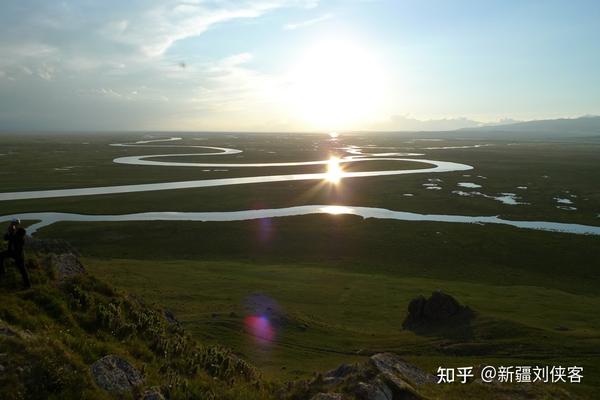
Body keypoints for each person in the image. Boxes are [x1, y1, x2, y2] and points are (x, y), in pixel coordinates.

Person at [0, 219, 31, 289]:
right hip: (13, 252)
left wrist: (10, 231)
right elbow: (6, 238)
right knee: (1, 256)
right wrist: (11, 231)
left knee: (22, 270)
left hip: (18, 255)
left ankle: (27, 285)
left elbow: (10, 238)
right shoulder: (16, 233)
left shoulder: (20, 234)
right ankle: (2, 272)